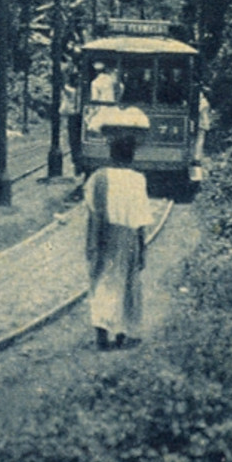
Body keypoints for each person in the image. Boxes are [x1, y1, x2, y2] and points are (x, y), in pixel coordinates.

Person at [83, 125, 155, 350]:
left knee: (102, 281)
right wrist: (142, 249)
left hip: (105, 235)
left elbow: (92, 213)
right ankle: (123, 331)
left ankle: (102, 331)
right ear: (131, 155)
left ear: (112, 154)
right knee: (127, 285)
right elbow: (141, 219)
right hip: (129, 237)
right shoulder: (138, 180)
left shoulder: (99, 177)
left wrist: (91, 244)